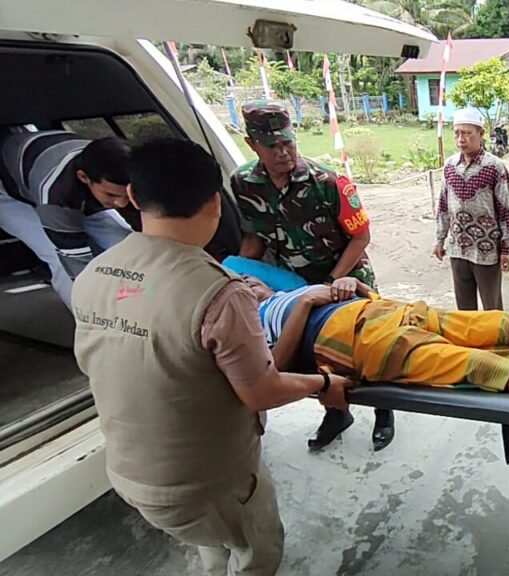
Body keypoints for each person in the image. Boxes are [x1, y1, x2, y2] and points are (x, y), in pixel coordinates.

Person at [72, 138, 352, 576]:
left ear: (131, 196)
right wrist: (323, 384)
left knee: (213, 539)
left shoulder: (94, 273)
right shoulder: (218, 292)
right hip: (207, 483)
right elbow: (262, 391)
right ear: (215, 203)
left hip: (129, 472)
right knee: (254, 551)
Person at [230, 101, 396, 452]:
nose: (283, 152)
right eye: (272, 146)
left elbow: (360, 237)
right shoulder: (244, 183)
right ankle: (336, 412)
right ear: (252, 144)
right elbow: (254, 237)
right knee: (316, 356)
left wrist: (334, 279)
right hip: (293, 285)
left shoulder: (328, 182)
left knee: (370, 348)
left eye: (288, 143)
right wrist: (238, 273)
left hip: (346, 278)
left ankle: (385, 410)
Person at [242, 275, 509, 412]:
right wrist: (307, 304)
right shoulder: (247, 323)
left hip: (389, 311)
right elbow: (274, 371)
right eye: (240, 282)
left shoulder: (285, 291)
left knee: (497, 324)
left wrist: (351, 284)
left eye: (249, 278)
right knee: (476, 365)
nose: (248, 282)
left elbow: (355, 292)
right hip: (361, 347)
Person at [0, 129, 136, 306]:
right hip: (8, 191)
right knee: (58, 258)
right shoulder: (56, 192)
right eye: (111, 195)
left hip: (43, 167)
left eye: (126, 194)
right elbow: (76, 264)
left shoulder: (121, 167)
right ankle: (90, 327)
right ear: (84, 177)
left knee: (124, 242)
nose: (121, 203)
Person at [433, 107, 509, 311]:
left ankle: (496, 342)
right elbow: (443, 205)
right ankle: (469, 343)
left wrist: (506, 249)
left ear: (481, 133)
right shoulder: (450, 166)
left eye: (467, 133)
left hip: (487, 251)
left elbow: (505, 209)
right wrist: (439, 239)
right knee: (464, 309)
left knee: (492, 307)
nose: (462, 139)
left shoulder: (495, 167)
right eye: (457, 133)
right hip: (457, 248)